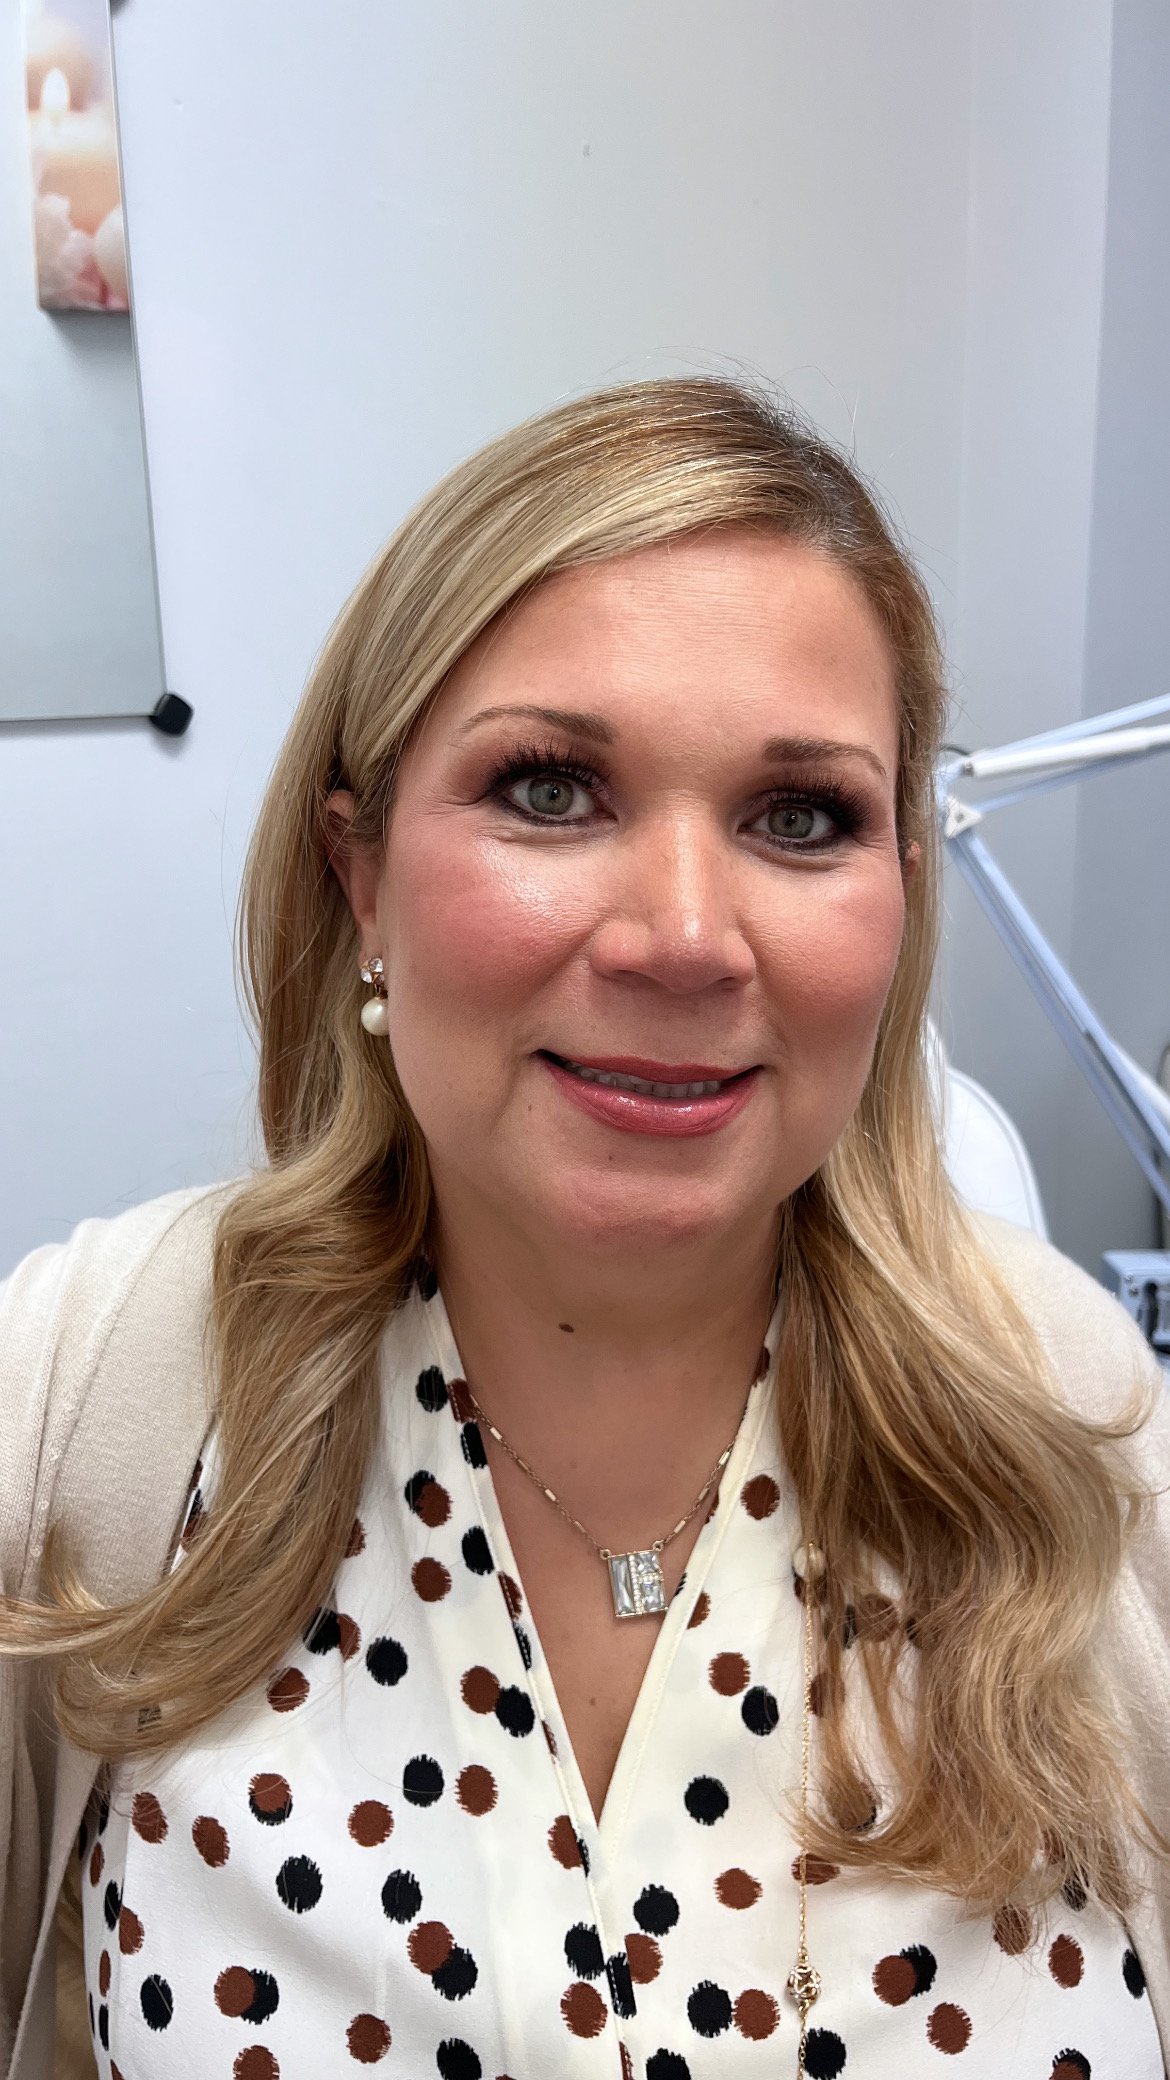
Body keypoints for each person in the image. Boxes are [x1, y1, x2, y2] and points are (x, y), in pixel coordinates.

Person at [2, 376, 1168, 2080]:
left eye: (801, 817)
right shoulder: (93, 1391)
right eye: (551, 789)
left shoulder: (1071, 1414)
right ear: (360, 875)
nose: (686, 938)